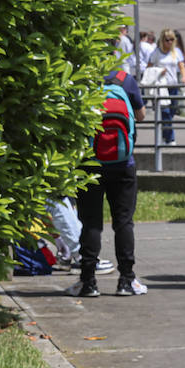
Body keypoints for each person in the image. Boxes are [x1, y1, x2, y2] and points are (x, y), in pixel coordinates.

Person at [67, 68, 148, 298]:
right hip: (123, 163)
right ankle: (126, 281)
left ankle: (88, 282)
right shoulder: (125, 80)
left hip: (90, 163)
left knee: (91, 223)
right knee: (123, 222)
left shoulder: (81, 76)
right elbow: (140, 116)